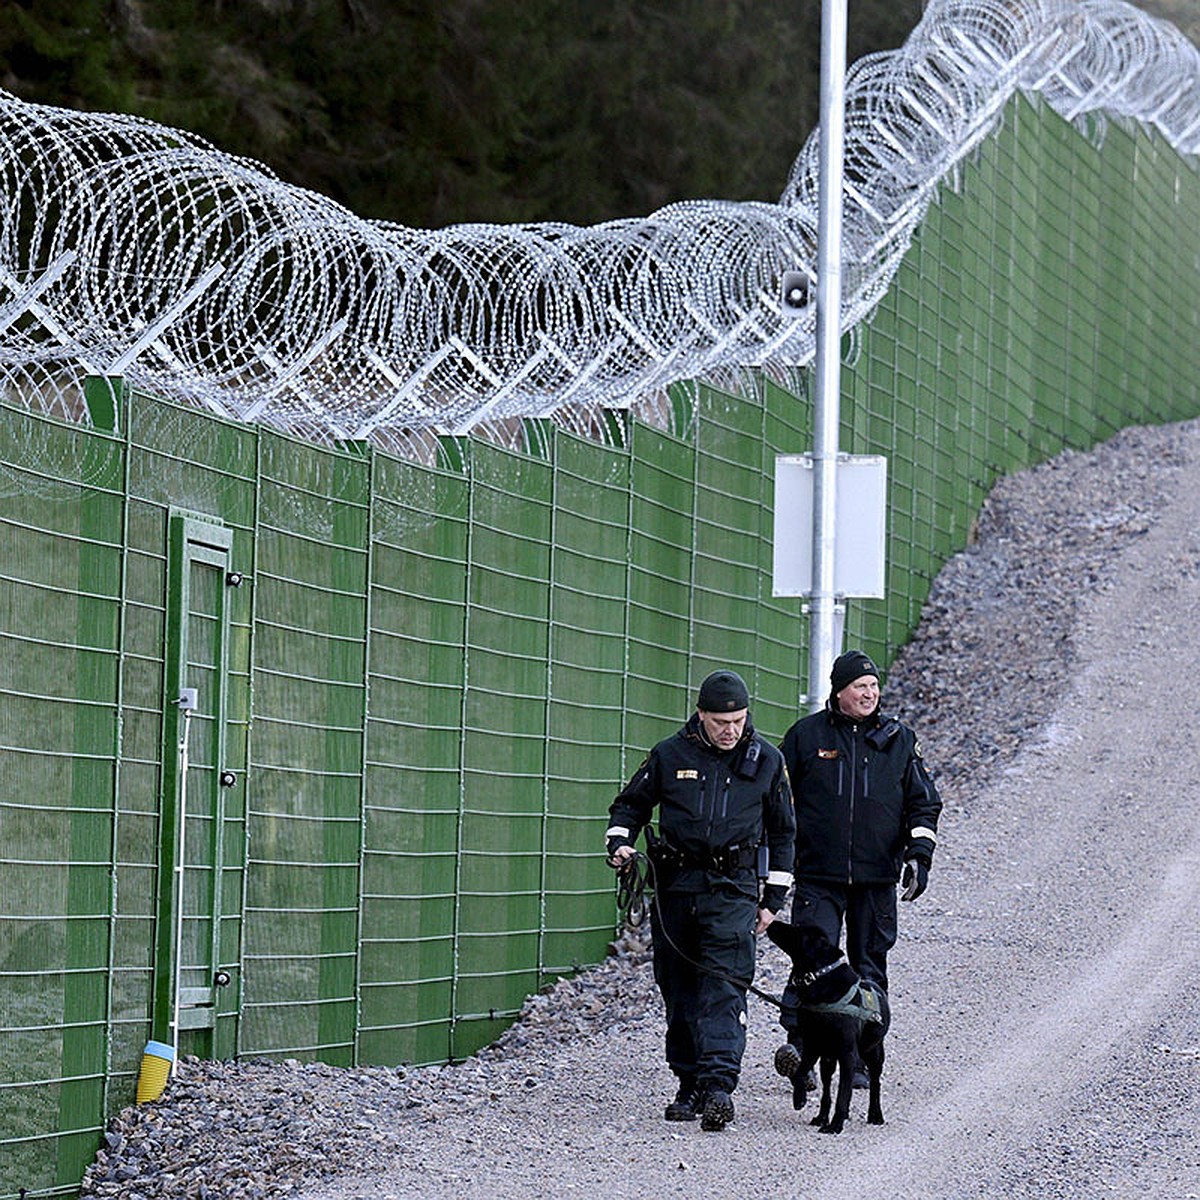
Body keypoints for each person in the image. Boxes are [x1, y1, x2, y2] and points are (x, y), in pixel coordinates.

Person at [605, 669, 796, 1132]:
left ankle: (717, 1087)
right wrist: (620, 845)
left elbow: (785, 833)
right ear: (700, 716)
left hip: (733, 892)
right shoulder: (670, 755)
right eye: (719, 722)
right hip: (676, 890)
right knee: (679, 987)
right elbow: (629, 806)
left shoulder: (766, 761)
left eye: (738, 721)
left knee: (724, 987)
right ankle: (688, 1082)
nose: (729, 730)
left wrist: (773, 898)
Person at [778, 649, 942, 1079]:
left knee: (869, 968)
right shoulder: (804, 737)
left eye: (873, 686)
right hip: (817, 875)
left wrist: (918, 856)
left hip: (876, 878)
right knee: (813, 963)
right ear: (839, 691)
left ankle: (860, 1058)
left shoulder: (899, 740)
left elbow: (923, 804)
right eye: (860, 687)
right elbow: (774, 801)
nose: (869, 694)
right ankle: (801, 1049)